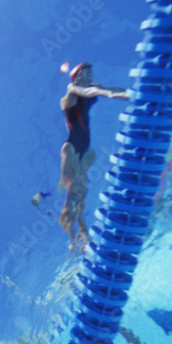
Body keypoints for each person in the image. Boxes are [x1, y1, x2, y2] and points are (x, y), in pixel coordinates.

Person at [58, 63, 129, 244]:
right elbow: (89, 93)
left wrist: (129, 93)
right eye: (86, 71)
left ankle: (82, 231)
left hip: (87, 149)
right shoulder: (72, 88)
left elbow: (108, 90)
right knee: (72, 192)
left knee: (80, 190)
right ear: (77, 76)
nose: (91, 73)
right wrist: (111, 94)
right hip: (71, 147)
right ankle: (76, 234)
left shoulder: (94, 86)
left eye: (91, 71)